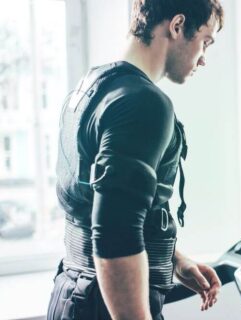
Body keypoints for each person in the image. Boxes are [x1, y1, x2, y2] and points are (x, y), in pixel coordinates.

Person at [47, 0, 224, 319]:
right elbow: (115, 233)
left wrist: (172, 259)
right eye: (205, 42)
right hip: (104, 302)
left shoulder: (89, 89)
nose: (203, 59)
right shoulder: (144, 103)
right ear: (177, 25)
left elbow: (98, 208)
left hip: (73, 293)